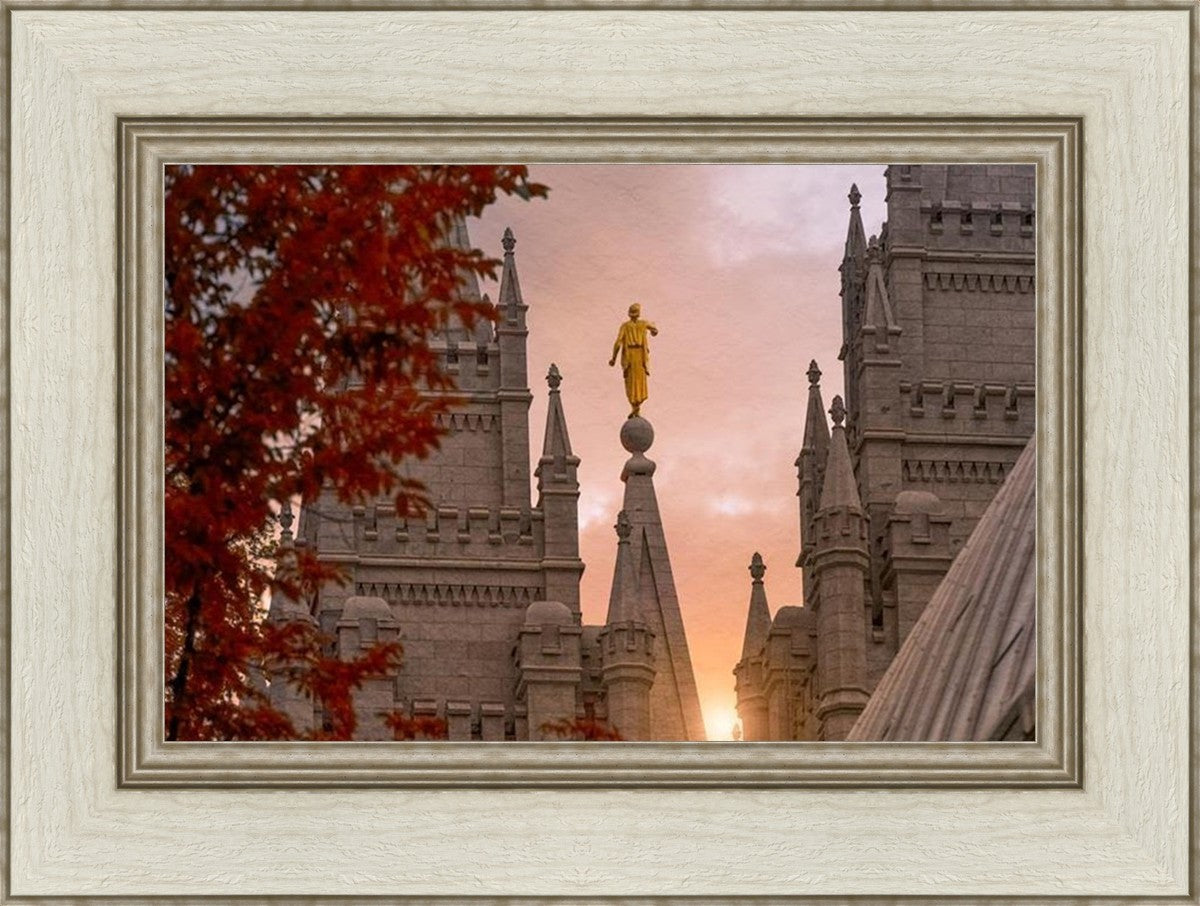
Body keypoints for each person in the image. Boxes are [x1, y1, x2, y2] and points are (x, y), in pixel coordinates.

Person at [609, 303, 658, 418]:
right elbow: (655, 330)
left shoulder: (626, 326)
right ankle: (636, 409)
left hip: (633, 357)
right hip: (637, 356)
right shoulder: (642, 324)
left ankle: (635, 409)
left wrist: (613, 359)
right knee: (636, 383)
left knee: (633, 384)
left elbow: (618, 343)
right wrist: (653, 331)